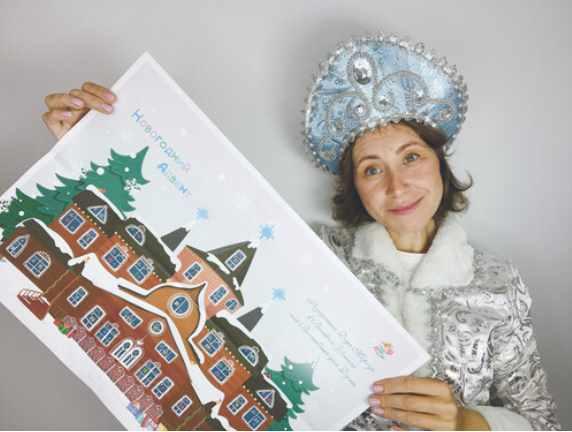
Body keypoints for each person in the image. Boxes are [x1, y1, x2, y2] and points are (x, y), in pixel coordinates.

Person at [41, 32, 561, 431]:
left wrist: (469, 424)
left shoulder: (498, 284)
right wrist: (90, 142)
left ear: (440, 165)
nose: (397, 184)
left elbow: (542, 421)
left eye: (411, 157)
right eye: (372, 169)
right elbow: (185, 229)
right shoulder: (312, 255)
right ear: (356, 189)